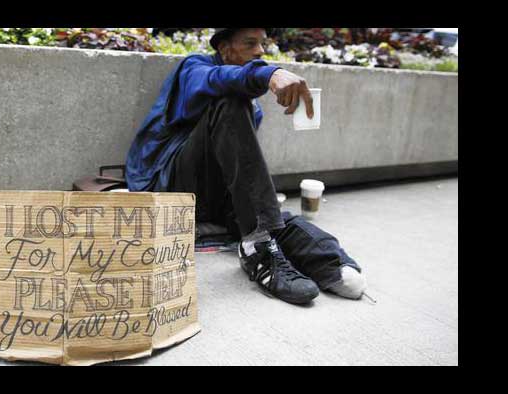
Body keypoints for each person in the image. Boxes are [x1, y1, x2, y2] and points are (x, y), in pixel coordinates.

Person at [125, 28, 367, 305]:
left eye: (262, 44)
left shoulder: (250, 107)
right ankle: (258, 251)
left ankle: (331, 265)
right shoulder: (195, 68)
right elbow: (219, 80)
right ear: (225, 50)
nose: (260, 51)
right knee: (230, 101)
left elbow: (240, 174)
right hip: (167, 186)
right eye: (250, 43)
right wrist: (268, 74)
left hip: (214, 200)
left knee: (271, 218)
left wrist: (256, 208)